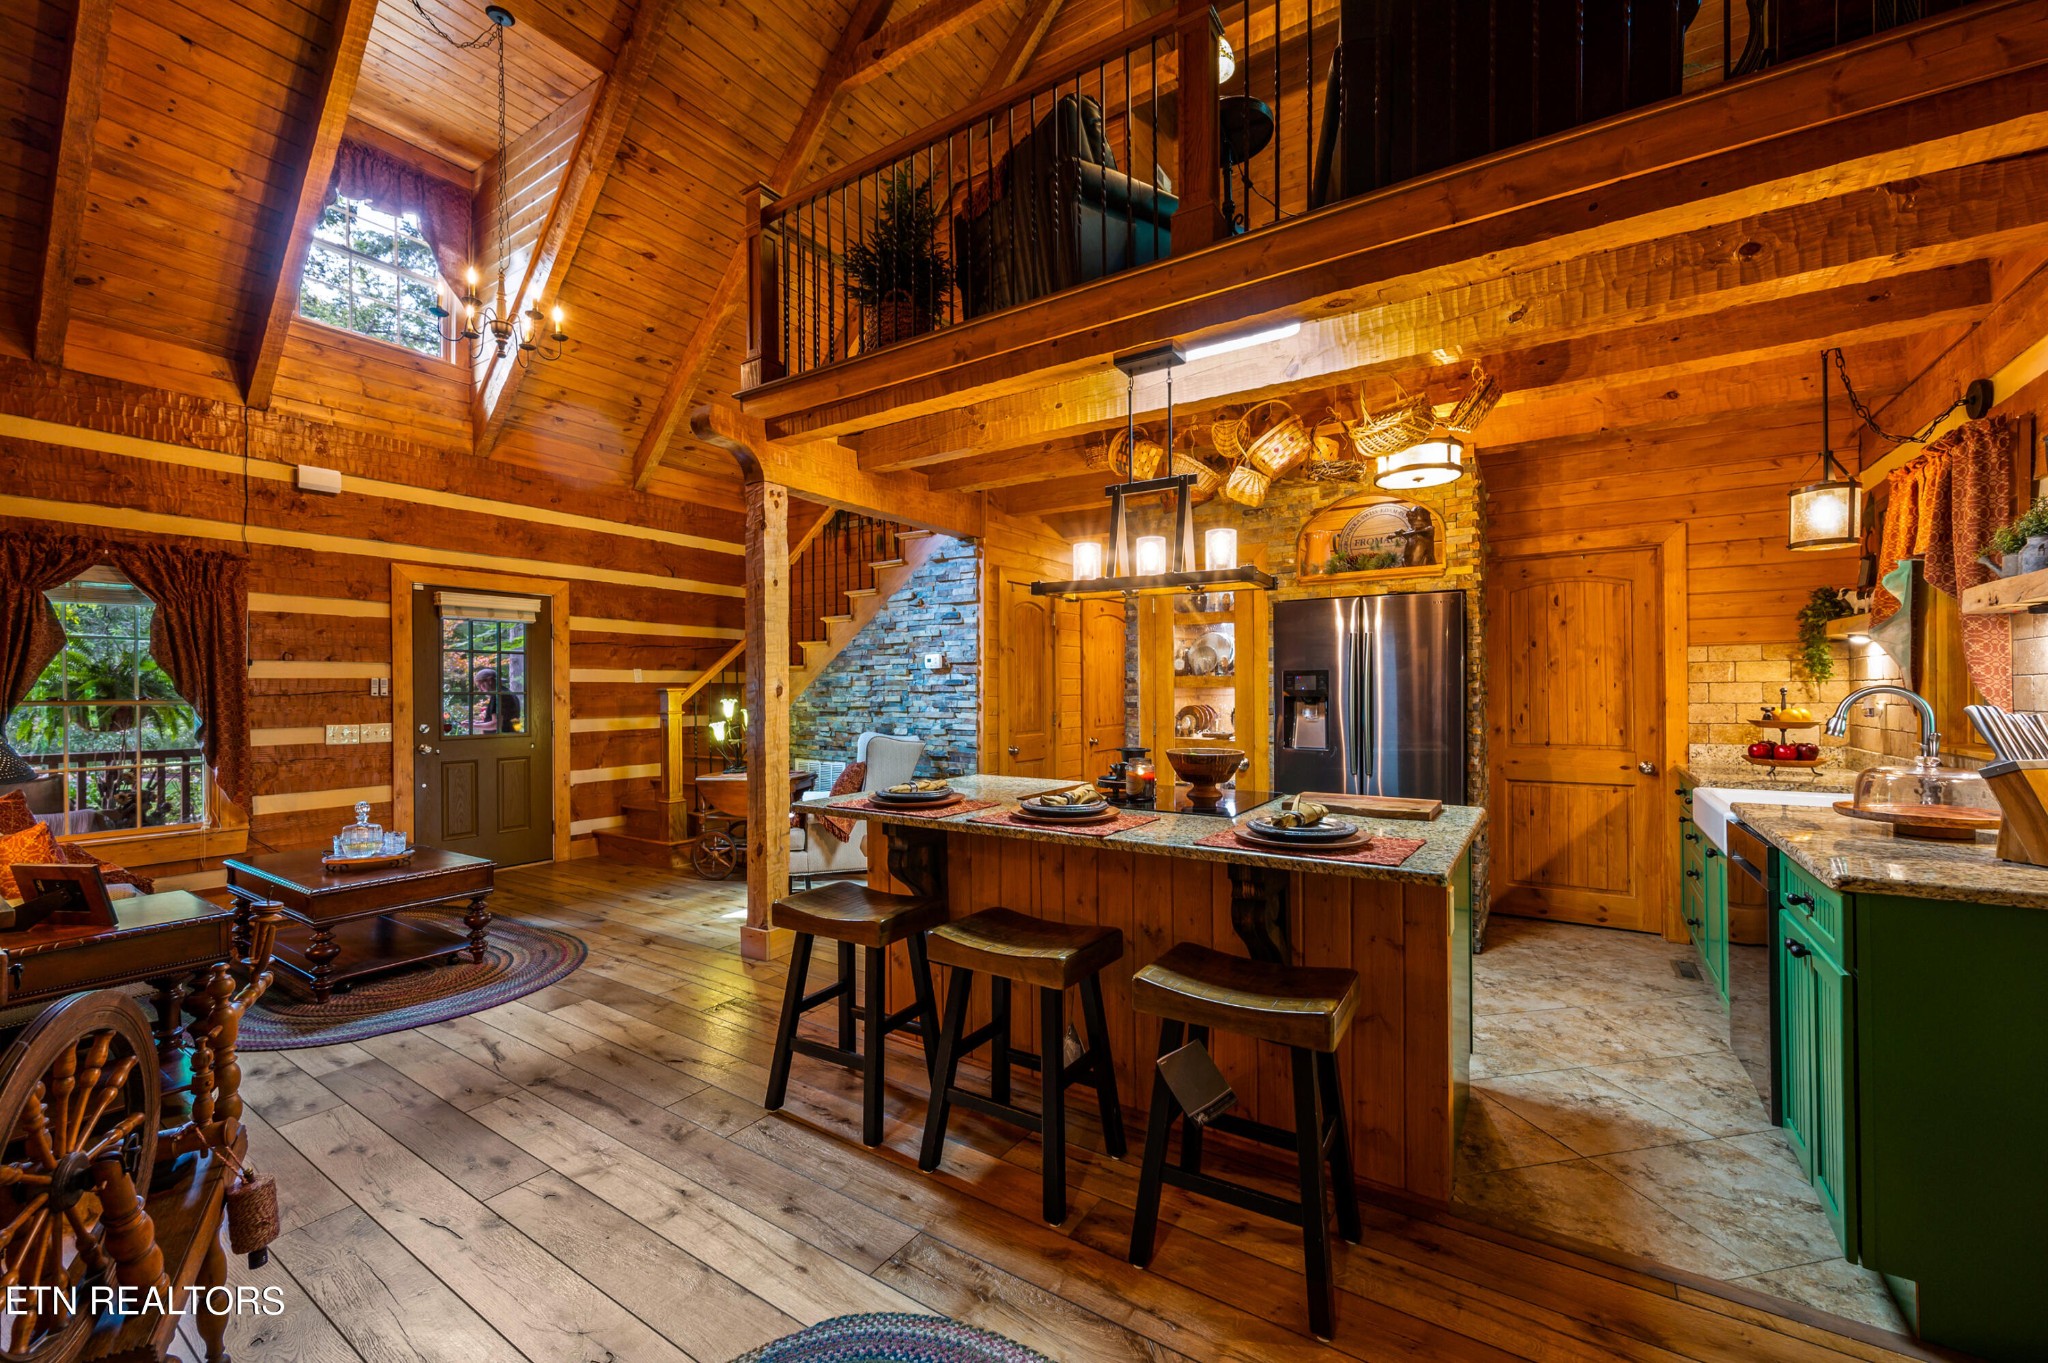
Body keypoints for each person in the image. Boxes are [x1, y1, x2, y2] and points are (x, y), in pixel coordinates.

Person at [472, 666, 523, 734]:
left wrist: (472, 725)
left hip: (500, 738)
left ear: (489, 681)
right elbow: (506, 723)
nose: (480, 690)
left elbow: (496, 724)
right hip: (511, 737)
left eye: (480, 686)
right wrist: (476, 723)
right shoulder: (510, 694)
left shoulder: (497, 696)